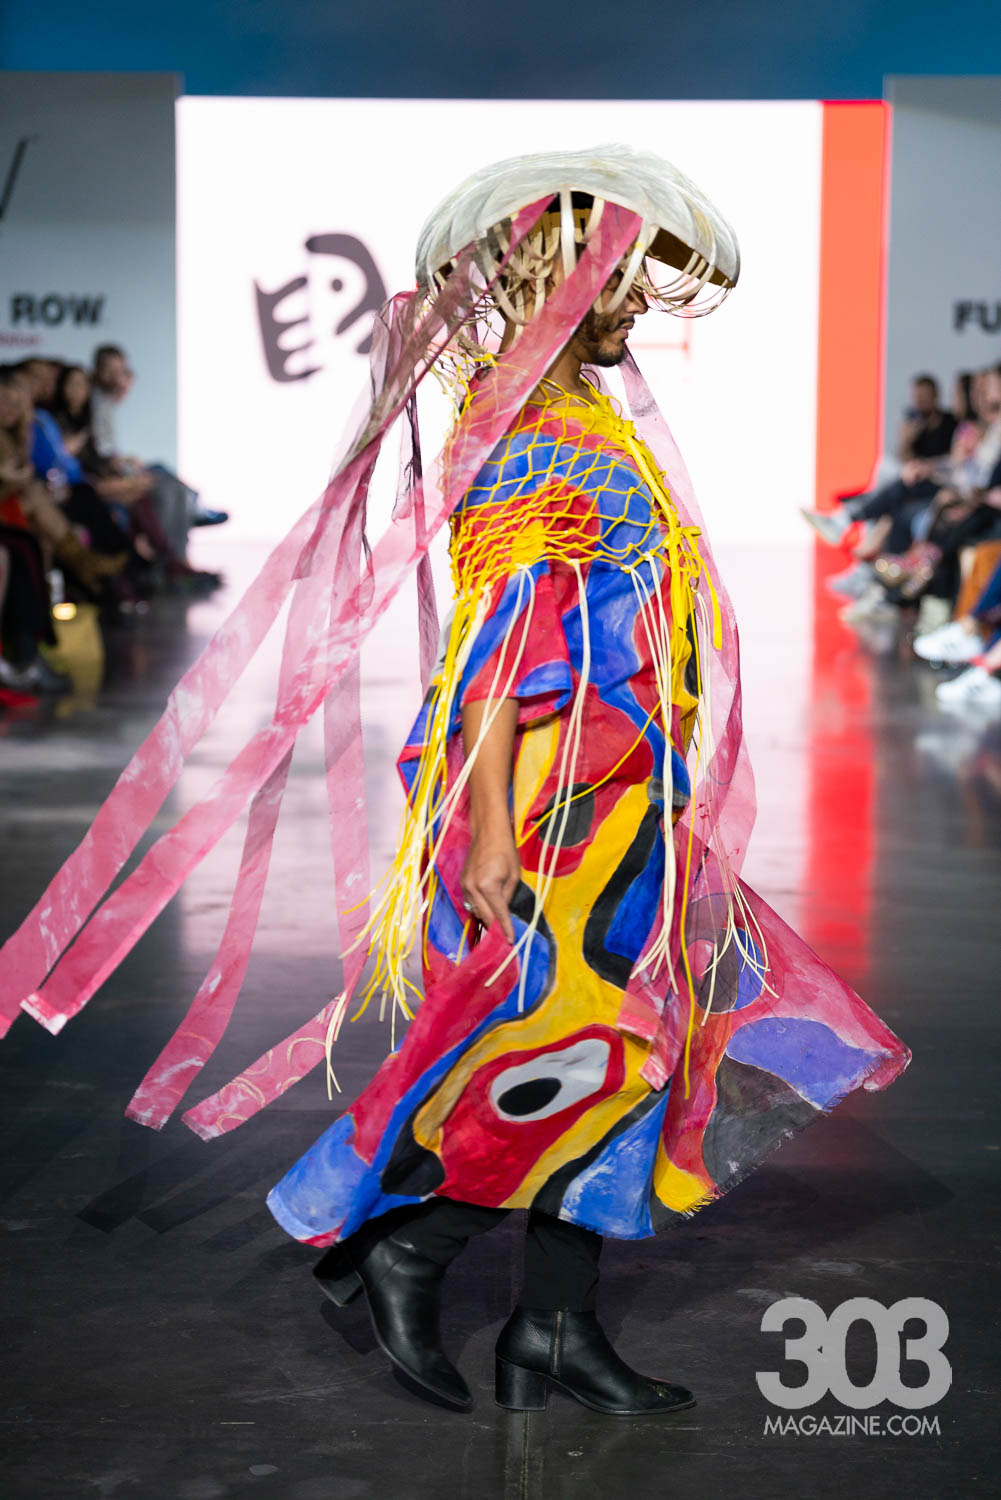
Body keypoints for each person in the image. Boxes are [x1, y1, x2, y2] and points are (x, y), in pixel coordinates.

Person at [0, 147, 910, 1418]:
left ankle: (548, 1324)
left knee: (630, 1047)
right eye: (615, 277)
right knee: (582, 1045)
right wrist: (490, 832)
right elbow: (496, 654)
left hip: (623, 799)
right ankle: (409, 1251)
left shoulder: (582, 414)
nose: (633, 300)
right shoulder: (533, 425)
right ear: (552, 278)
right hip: (550, 813)